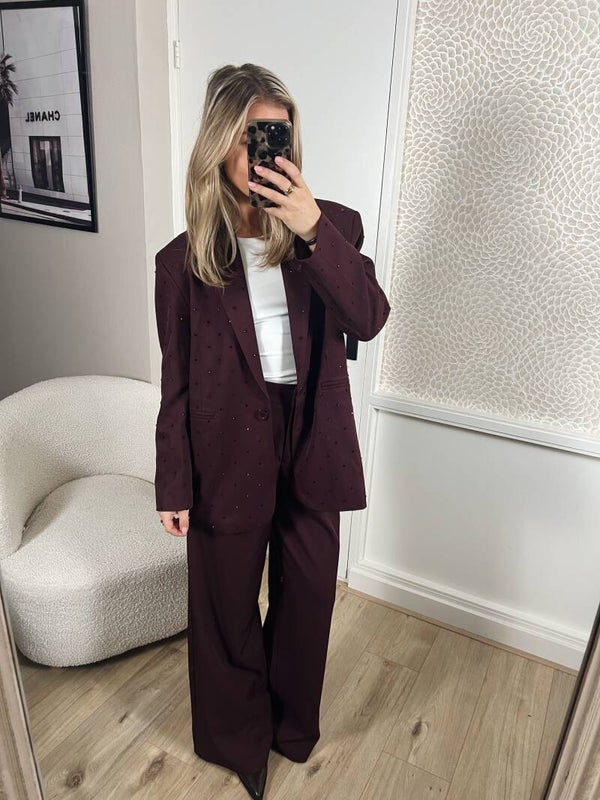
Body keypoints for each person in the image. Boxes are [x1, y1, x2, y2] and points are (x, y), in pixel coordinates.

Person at [154, 63, 391, 800]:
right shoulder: (182, 261)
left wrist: (312, 229)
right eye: (254, 135)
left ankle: (290, 727)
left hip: (311, 435)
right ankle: (238, 738)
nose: (268, 150)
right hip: (226, 448)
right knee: (225, 605)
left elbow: (369, 319)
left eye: (279, 135)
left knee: (310, 594)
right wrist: (173, 481)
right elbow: (176, 381)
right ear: (221, 141)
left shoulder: (333, 226)